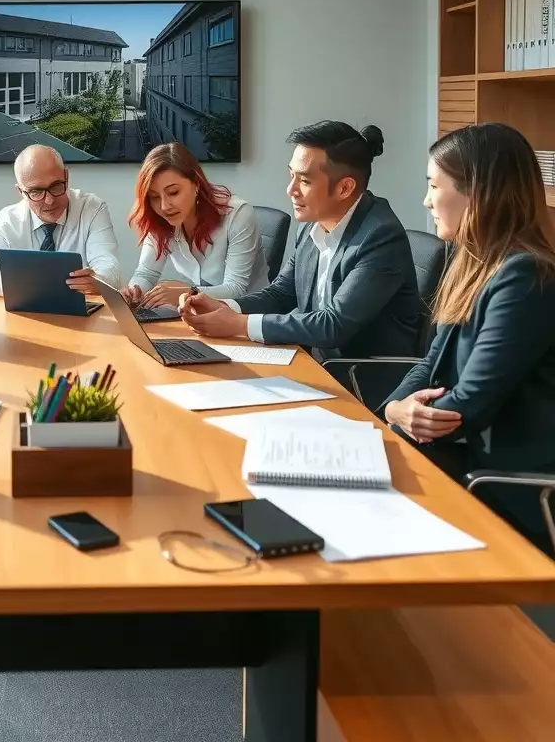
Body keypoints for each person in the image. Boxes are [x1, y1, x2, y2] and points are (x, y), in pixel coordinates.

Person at [379, 124, 555, 551]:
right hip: (466, 458)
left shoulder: (525, 274)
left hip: (505, 480)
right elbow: (430, 365)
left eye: (433, 185)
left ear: (477, 192)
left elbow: (470, 405)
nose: (426, 200)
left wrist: (403, 418)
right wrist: (391, 410)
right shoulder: (475, 262)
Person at [180, 121, 419, 361]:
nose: (290, 190)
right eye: (291, 176)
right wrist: (225, 307)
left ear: (345, 188)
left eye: (304, 181)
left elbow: (333, 325)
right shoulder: (311, 227)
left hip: (362, 379)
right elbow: (281, 294)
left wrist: (238, 324)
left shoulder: (381, 237)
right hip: (317, 364)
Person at [122, 143, 268, 309]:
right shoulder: (160, 219)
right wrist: (135, 290)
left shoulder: (238, 214)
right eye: (154, 197)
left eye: (173, 193)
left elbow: (236, 288)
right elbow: (146, 273)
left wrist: (185, 293)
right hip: (203, 311)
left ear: (196, 183)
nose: (164, 206)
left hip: (249, 313)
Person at [0, 144, 120, 295]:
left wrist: (99, 281)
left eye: (56, 186)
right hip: (26, 315)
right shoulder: (7, 221)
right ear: (21, 192)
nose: (50, 200)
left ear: (67, 177)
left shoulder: (92, 208)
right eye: (36, 192)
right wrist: (47, 283)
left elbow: (110, 270)